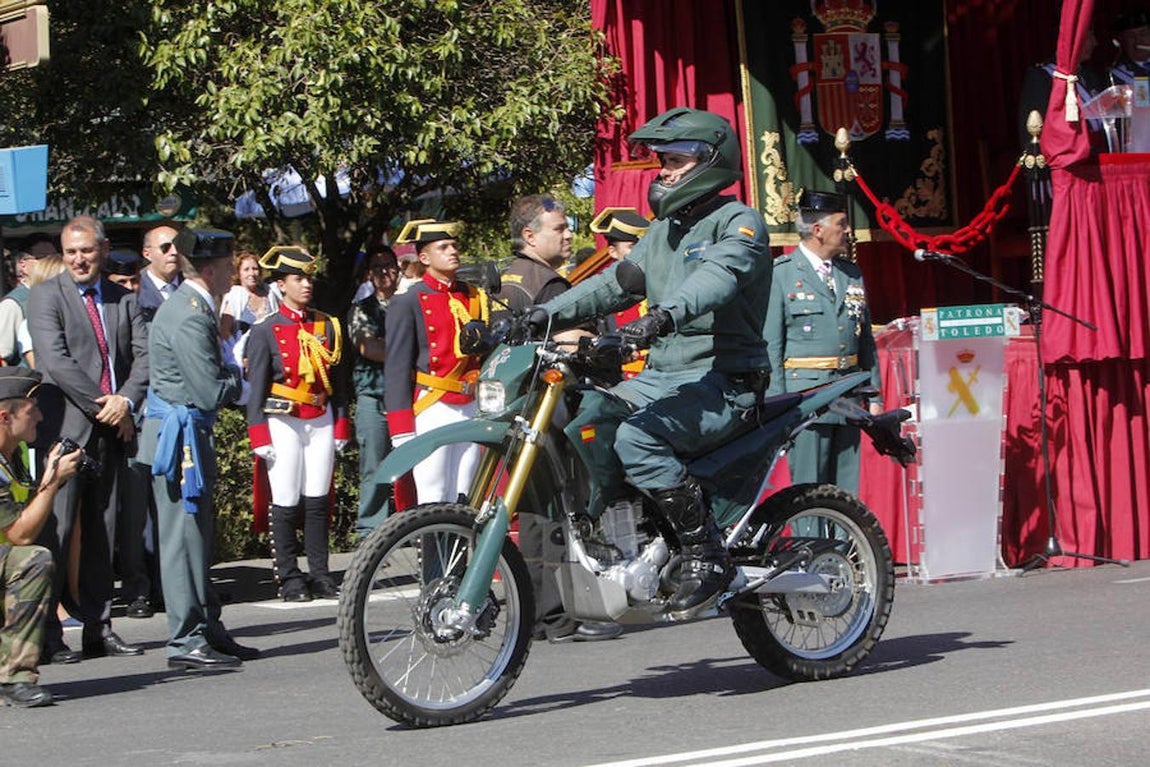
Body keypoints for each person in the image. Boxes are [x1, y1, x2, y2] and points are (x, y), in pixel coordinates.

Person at [540, 107, 772, 613]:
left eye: (673, 160)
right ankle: (636, 532)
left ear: (711, 161)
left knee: (636, 436)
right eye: (660, 161)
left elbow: (717, 279)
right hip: (663, 377)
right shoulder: (665, 232)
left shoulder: (738, 222)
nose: (662, 171)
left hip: (723, 379)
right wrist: (539, 316)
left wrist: (659, 319)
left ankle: (707, 553)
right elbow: (612, 285)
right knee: (588, 418)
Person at [27, 215, 149, 664]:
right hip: (66, 430)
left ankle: (99, 627)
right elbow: (55, 362)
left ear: (102, 250)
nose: (79, 259)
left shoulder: (123, 298)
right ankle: (49, 634)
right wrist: (106, 406)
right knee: (56, 531)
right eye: (71, 251)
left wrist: (128, 402)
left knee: (103, 530)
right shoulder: (45, 296)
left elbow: (143, 357)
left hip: (112, 432)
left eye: (87, 251)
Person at [139, 227, 258, 669]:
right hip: (179, 440)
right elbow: (208, 390)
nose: (233, 272)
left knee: (198, 539)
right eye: (228, 265)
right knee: (182, 541)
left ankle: (207, 628)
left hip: (187, 435)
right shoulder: (190, 314)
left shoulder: (194, 306)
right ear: (210, 269)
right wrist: (237, 376)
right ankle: (185, 639)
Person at [245, 246, 348, 602]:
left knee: (318, 499)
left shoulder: (326, 325)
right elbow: (256, 387)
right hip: (282, 419)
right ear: (280, 284)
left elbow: (339, 382)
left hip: (320, 417)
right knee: (286, 498)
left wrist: (341, 425)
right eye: (297, 278)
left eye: (308, 277)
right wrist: (257, 432)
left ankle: (320, 573)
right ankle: (288, 577)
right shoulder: (265, 330)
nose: (306, 284)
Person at [763, 189, 881, 492]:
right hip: (805, 401)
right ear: (818, 230)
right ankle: (810, 543)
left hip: (849, 399)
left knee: (845, 495)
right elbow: (772, 348)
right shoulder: (782, 275)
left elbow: (865, 341)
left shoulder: (851, 274)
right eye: (842, 224)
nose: (848, 231)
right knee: (809, 493)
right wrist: (778, 408)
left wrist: (876, 396)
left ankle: (844, 542)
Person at [385, 219, 487, 505]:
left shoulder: (473, 295)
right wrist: (401, 427)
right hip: (432, 404)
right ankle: (430, 553)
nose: (453, 251)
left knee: (464, 494)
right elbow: (396, 368)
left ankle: (461, 551)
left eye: (454, 245)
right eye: (443, 247)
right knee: (432, 494)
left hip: (469, 403)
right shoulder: (408, 300)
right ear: (424, 257)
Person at [0, 369, 83, 708]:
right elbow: (19, 534)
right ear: (5, 416)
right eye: (31, 408)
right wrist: (52, 482)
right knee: (34, 560)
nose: (41, 415)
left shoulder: (14, 453)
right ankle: (15, 677)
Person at [347, 246, 399, 536]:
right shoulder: (360, 309)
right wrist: (408, 349)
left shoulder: (409, 304)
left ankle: (413, 527)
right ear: (369, 274)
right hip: (373, 397)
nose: (384, 272)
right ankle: (371, 532)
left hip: (409, 396)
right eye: (377, 267)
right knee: (374, 467)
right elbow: (370, 348)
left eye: (389, 265)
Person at [0, 238, 58, 366]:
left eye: (55, 257)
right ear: (23, 265)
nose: (51, 262)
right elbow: (2, 356)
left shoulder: (59, 295)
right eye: (43, 257)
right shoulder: (13, 304)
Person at [219, 250, 279, 341]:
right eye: (246, 269)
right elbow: (224, 331)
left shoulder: (271, 294)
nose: (252, 273)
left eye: (255, 269)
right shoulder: (234, 297)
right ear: (238, 273)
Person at [138, 224, 184, 323]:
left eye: (178, 246)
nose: (174, 252)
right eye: (165, 247)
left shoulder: (192, 283)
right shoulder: (136, 287)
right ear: (147, 254)